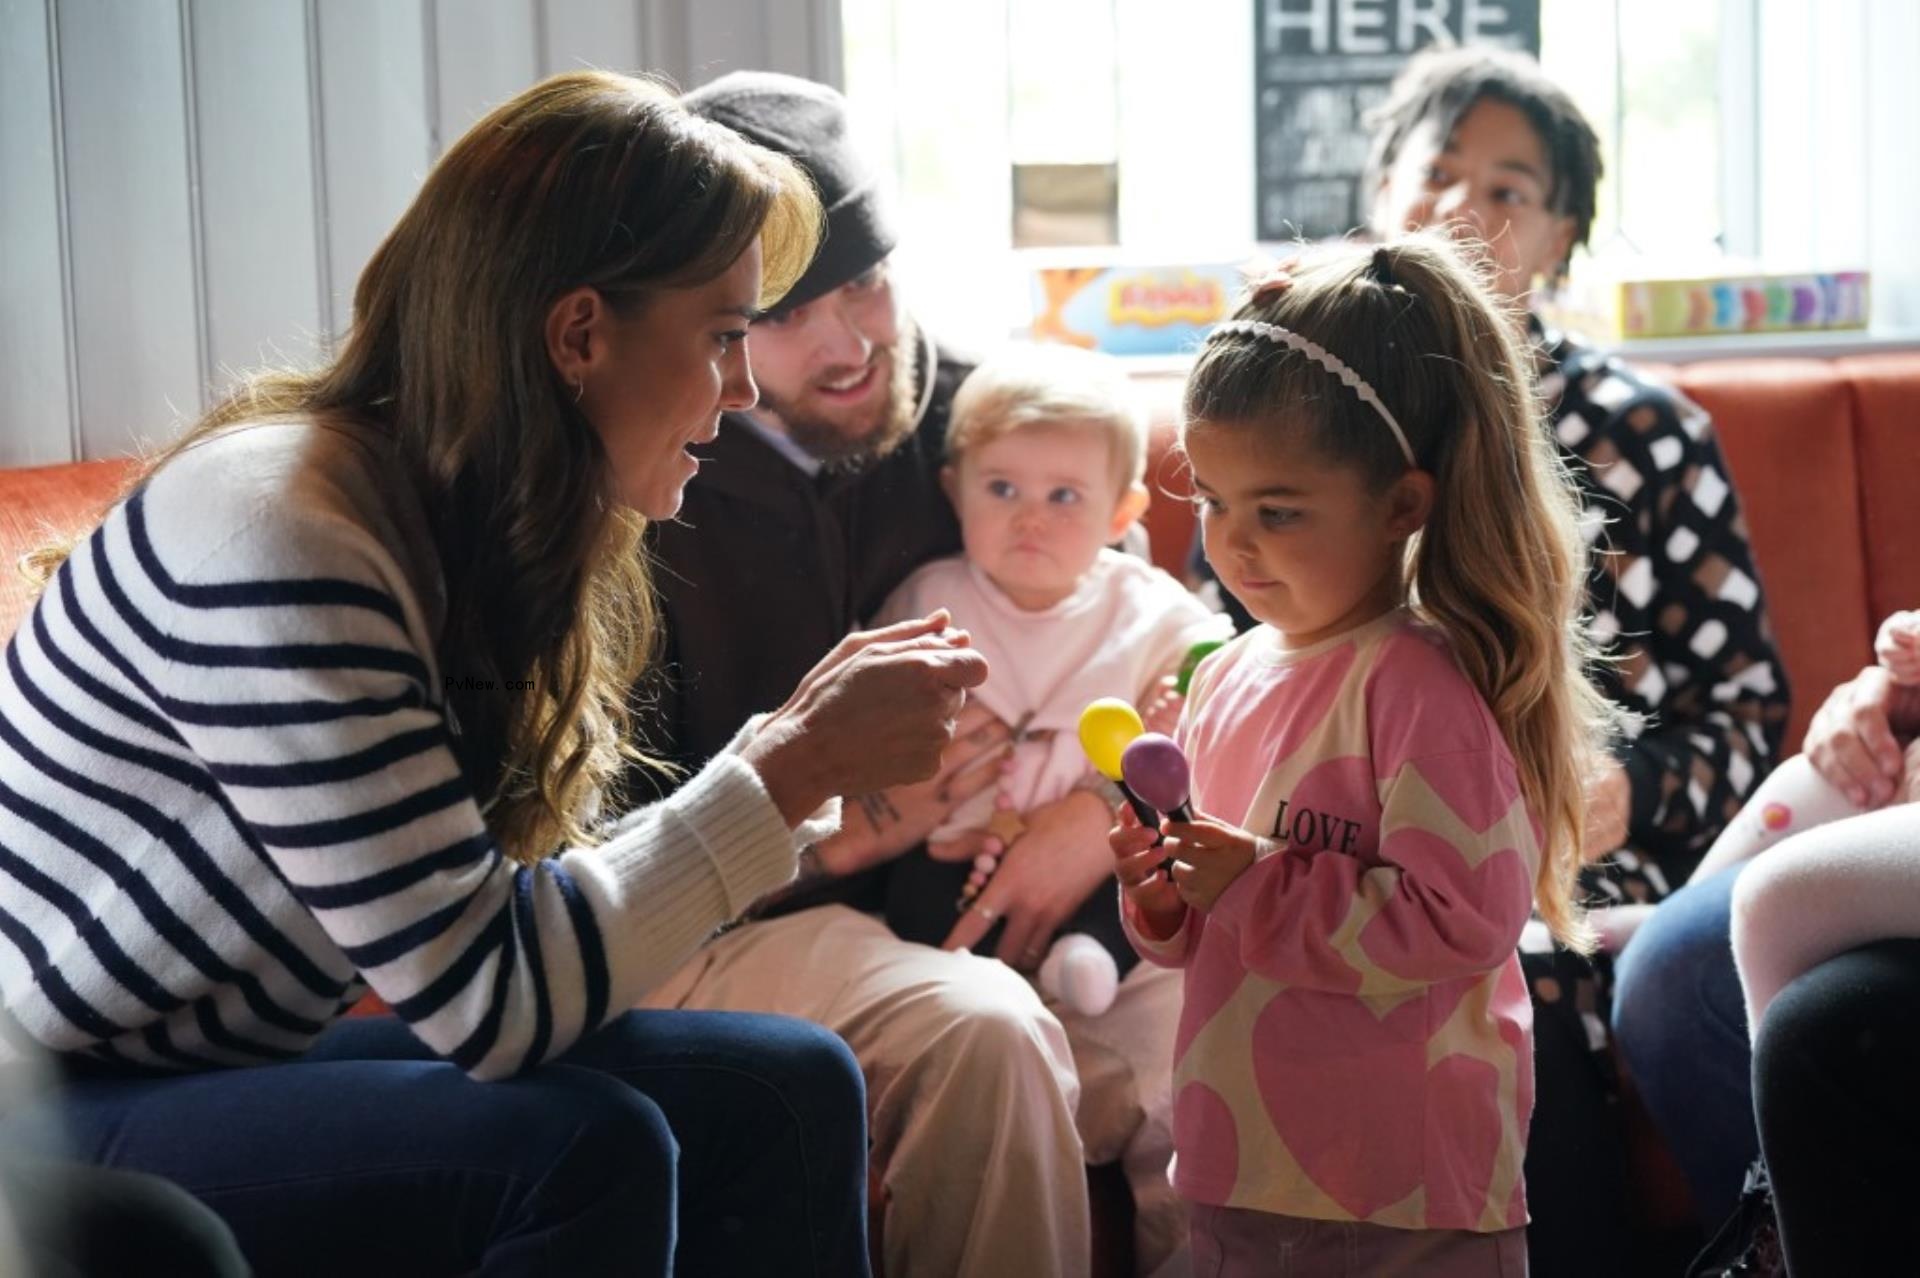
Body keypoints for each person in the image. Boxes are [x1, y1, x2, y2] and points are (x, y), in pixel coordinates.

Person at [0, 69, 991, 1277]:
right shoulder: (289, 537)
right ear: (578, 334)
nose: (740, 390)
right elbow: (492, 1005)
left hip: (192, 1067)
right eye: (724, 337)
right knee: (581, 1148)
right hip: (41, 1101)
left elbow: (498, 927)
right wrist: (793, 768)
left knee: (785, 1084)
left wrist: (794, 760)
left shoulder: (459, 519)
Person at [637, 70, 1191, 1278]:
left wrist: (1100, 814)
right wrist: (844, 830)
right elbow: (599, 847)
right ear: (718, 315)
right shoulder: (647, 472)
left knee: (1232, 1024)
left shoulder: (980, 418)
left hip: (998, 908)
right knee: (986, 1032)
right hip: (729, 915)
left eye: (867, 283)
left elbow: (1170, 641)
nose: (850, 343)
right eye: (789, 313)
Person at [1110, 234, 1614, 1275]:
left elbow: (1462, 920)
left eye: (1278, 512)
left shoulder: (1422, 688)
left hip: (1406, 1186)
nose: (1230, 544)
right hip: (1239, 1155)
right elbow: (1217, 933)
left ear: (1402, 507)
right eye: (1211, 500)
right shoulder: (1225, 676)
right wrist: (1164, 898)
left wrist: (1249, 879)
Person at [1362, 46, 1791, 1264]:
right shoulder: (1311, 422)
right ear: (1381, 191)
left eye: (1508, 189)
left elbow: (1749, 716)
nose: (1461, 207)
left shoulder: (1651, 436)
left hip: (1595, 867)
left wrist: (1620, 795)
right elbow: (1226, 666)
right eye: (1435, 171)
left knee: (1527, 969)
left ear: (1560, 237)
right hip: (1364, 850)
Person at [874, 343, 1231, 1016]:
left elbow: (1213, 663)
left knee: (1147, 874)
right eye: (1002, 488)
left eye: (1064, 495)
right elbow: (871, 693)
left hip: (1094, 847)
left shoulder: (1142, 604)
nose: (1030, 517)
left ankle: (1090, 954)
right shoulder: (930, 597)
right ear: (956, 490)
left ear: (1120, 517)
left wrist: (1177, 700)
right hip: (961, 837)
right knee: (915, 895)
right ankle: (954, 976)